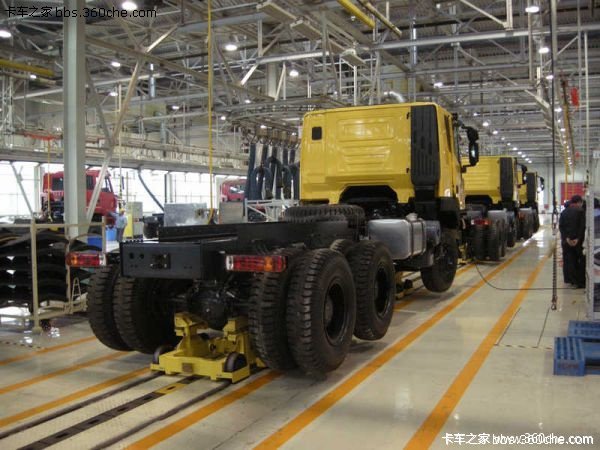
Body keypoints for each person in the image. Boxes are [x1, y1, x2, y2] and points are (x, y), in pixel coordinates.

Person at [559, 194, 585, 288]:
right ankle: (580, 282)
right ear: (579, 202)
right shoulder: (581, 212)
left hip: (567, 241)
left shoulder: (564, 212)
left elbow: (561, 227)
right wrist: (578, 239)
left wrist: (567, 238)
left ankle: (571, 280)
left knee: (569, 260)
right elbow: (582, 227)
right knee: (579, 260)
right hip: (578, 241)